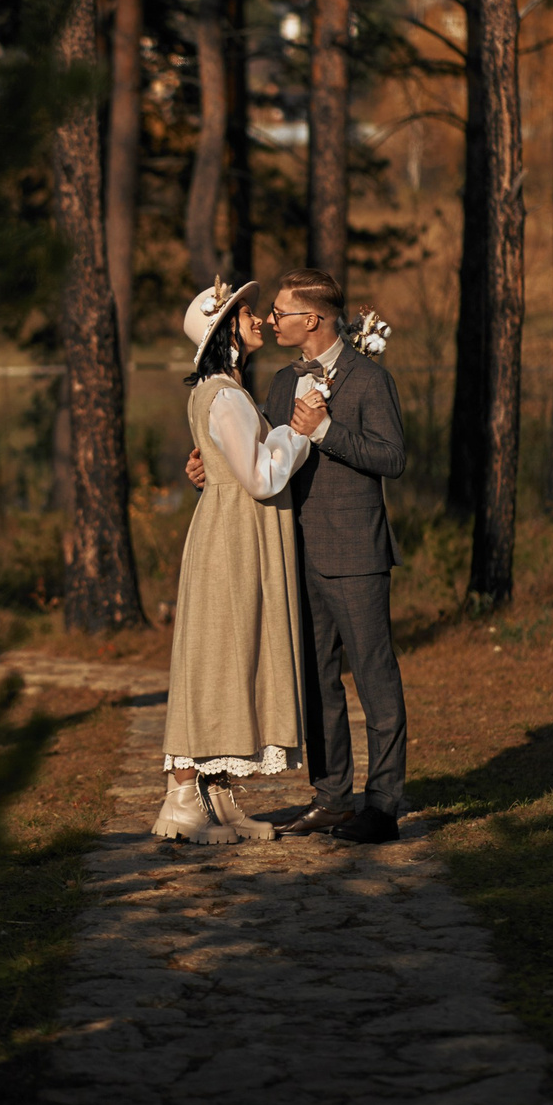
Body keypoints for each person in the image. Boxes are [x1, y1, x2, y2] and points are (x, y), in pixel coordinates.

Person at [191, 268, 411, 844]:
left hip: (356, 553)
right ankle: (332, 796)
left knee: (374, 679)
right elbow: (261, 454)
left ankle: (383, 805)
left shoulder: (369, 380)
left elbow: (393, 459)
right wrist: (208, 467)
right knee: (315, 683)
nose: (271, 320)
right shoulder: (284, 383)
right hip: (293, 555)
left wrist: (329, 429)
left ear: (311, 320)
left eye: (282, 313)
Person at [153, 278, 312, 845]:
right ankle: (183, 795)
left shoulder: (225, 391)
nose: (256, 319)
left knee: (229, 651)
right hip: (233, 537)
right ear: (224, 332)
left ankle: (216, 795)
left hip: (232, 529)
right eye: (244, 313)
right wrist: (300, 434)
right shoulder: (222, 393)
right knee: (218, 653)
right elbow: (261, 475)